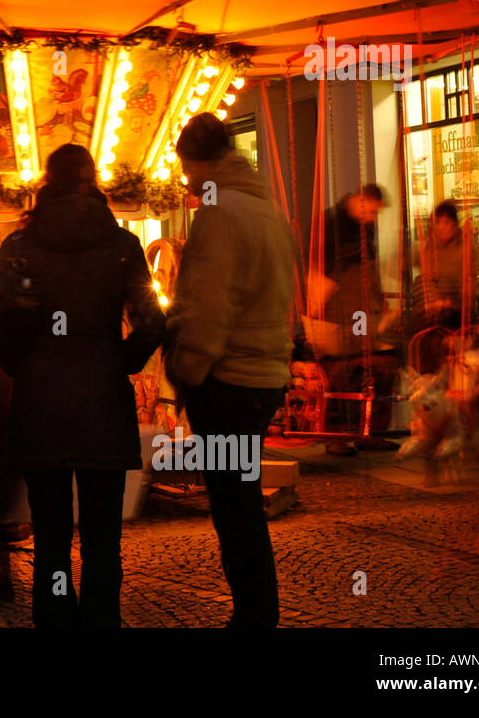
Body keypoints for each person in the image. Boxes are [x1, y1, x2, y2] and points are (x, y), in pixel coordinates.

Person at [0, 143, 164, 627]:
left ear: (47, 182)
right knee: (103, 540)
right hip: (103, 400)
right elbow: (151, 323)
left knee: (52, 537)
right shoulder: (122, 245)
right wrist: (117, 359)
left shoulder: (18, 248)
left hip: (41, 402)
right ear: (91, 180)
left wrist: (23, 364)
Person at [165, 114, 294, 628]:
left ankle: (255, 614)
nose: (187, 183)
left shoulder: (218, 212)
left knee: (235, 508)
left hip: (229, 380)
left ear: (197, 161)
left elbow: (209, 307)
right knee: (241, 499)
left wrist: (186, 369)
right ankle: (257, 612)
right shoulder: (267, 210)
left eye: (186, 169)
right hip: (265, 375)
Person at [307, 182, 391, 453]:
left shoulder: (364, 226)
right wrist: (316, 306)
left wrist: (379, 302)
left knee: (368, 369)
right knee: (340, 372)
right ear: (361, 201)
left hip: (360, 307)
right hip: (336, 307)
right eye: (372, 212)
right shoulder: (330, 223)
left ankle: (368, 430)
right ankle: (336, 436)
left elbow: (370, 264)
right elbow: (319, 267)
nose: (373, 219)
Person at [417, 201, 472, 330]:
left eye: (446, 222)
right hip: (432, 318)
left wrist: (447, 303)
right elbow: (425, 279)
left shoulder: (464, 248)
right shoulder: (429, 248)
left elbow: (468, 287)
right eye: (438, 223)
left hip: (457, 317)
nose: (442, 227)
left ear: (454, 224)